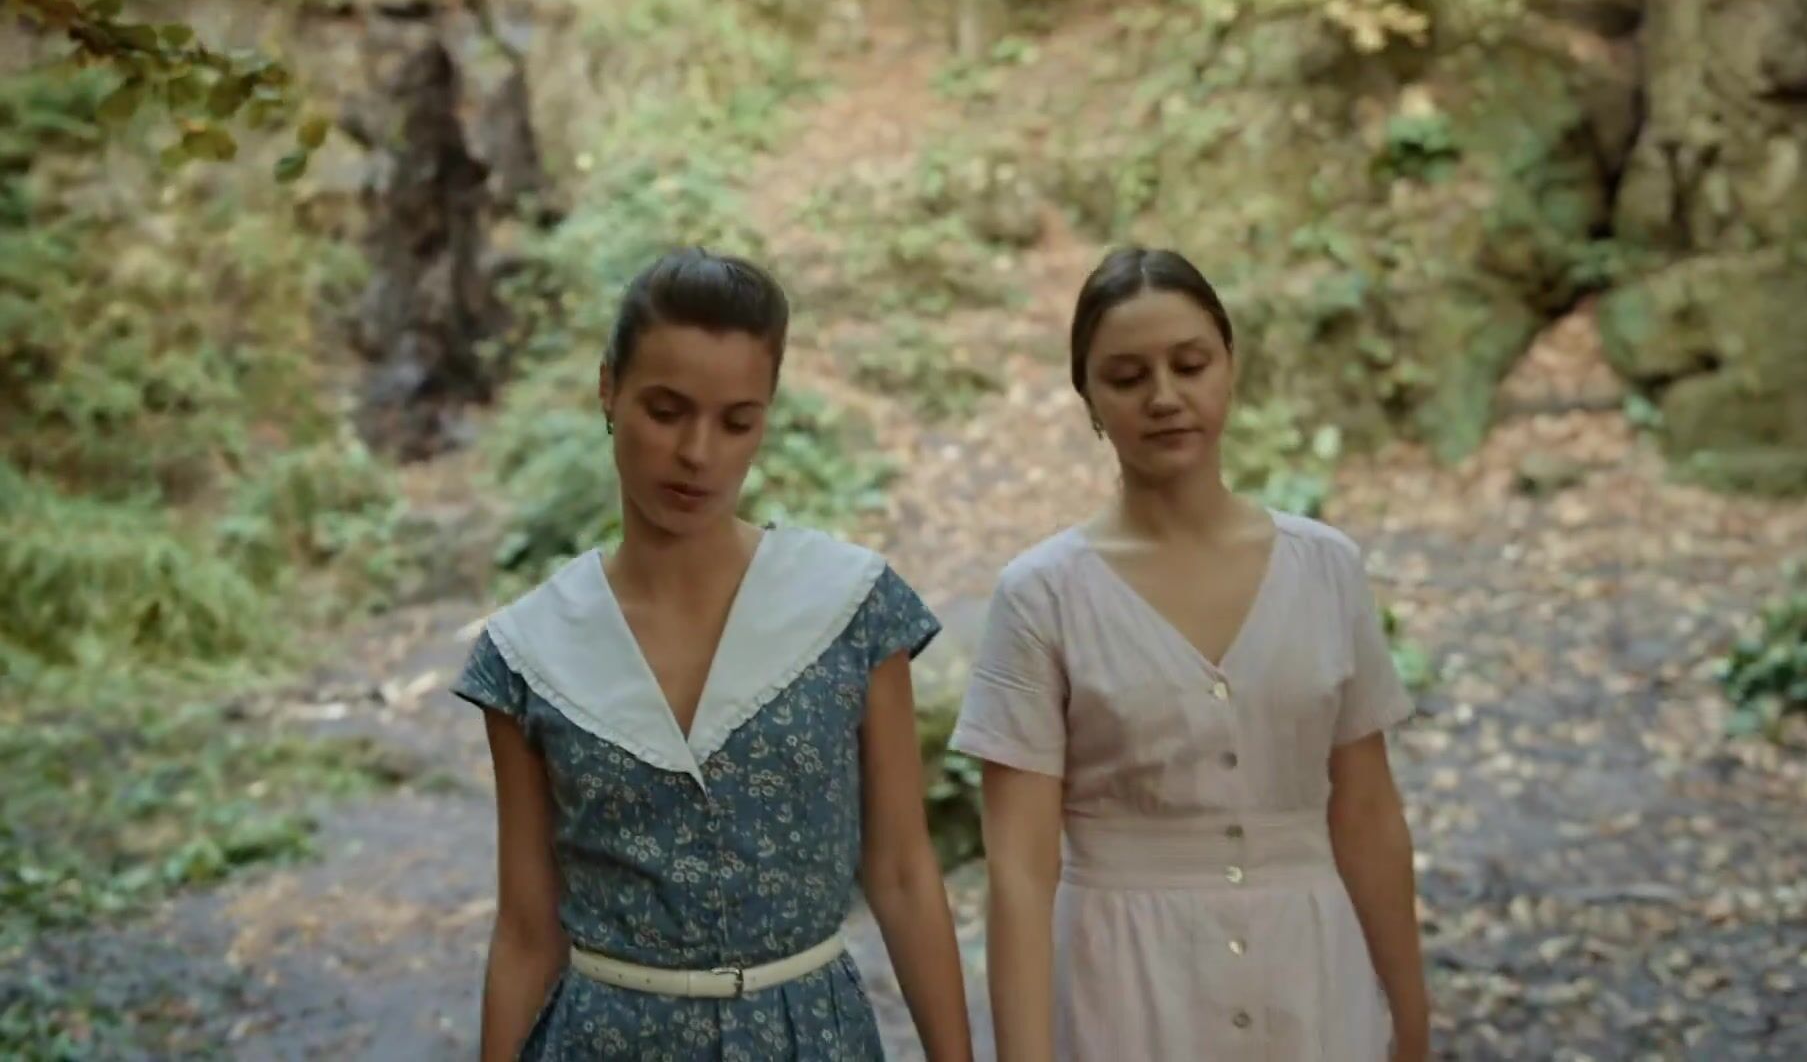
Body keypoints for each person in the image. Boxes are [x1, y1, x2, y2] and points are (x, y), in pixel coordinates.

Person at [451, 247, 973, 1061]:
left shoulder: (848, 608)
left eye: (737, 422)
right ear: (607, 389)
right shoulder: (534, 650)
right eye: (666, 411)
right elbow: (525, 929)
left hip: (809, 1038)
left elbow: (903, 872)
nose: (698, 453)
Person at [948, 247, 1429, 1061]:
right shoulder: (1043, 596)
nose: (1165, 397)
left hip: (1311, 973)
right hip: (1124, 983)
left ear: (1229, 367)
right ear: (1090, 399)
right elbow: (1021, 873)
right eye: (1127, 377)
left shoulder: (1326, 570)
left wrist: (1410, 1015)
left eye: (1190, 364)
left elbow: (1368, 814)